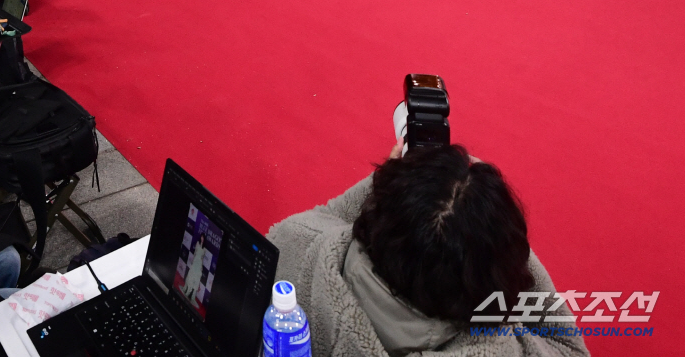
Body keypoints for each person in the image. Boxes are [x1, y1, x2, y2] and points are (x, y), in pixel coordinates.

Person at [267, 143, 589, 357]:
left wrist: (402, 182)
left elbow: (330, 214)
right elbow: (567, 346)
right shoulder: (496, 348)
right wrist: (490, 233)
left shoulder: (295, 247)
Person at [182, 232, 207, 306]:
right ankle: (186, 290)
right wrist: (192, 261)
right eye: (201, 237)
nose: (202, 239)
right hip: (195, 261)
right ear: (200, 238)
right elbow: (195, 252)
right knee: (190, 275)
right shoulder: (197, 243)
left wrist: (201, 267)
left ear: (204, 239)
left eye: (203, 238)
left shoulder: (204, 249)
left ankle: (192, 295)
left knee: (196, 279)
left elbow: (202, 258)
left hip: (199, 264)